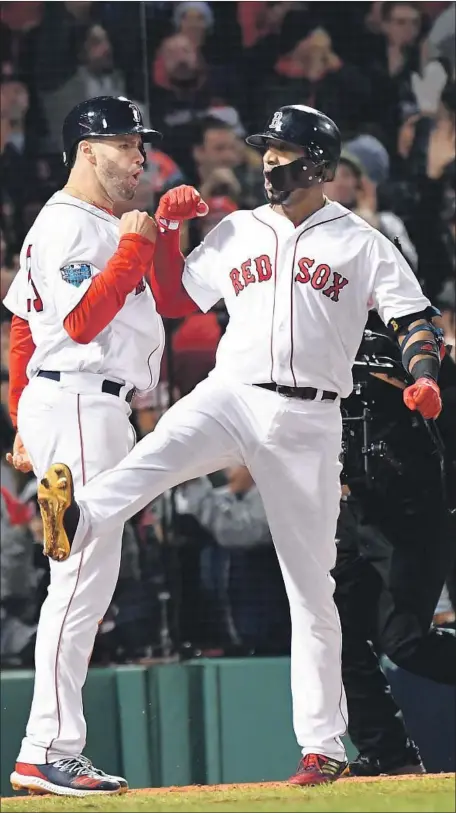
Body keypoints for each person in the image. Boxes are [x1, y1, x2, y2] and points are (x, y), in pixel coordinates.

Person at [37, 104, 444, 787]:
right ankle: (77, 515)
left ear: (316, 162)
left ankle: (324, 743)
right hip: (234, 391)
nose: (267, 160)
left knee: (313, 587)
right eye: (265, 149)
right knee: (155, 453)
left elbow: (415, 320)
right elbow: (172, 298)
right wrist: (169, 229)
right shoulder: (238, 229)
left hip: (311, 420)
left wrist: (425, 378)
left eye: (280, 150)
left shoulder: (360, 241)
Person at [3, 95, 163, 797]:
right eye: (125, 144)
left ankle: (51, 745)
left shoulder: (78, 220)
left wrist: (19, 420)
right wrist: (135, 248)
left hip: (70, 402)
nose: (139, 157)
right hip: (79, 398)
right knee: (79, 582)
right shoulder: (71, 221)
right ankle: (47, 747)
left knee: (82, 582)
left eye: (140, 145)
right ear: (87, 150)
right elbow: (82, 317)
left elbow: (20, 328)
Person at [335, 321, 456, 776]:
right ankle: (387, 752)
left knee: (405, 642)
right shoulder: (326, 358)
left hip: (417, 512)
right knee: (331, 627)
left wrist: (414, 383)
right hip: (355, 509)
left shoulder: (432, 361)